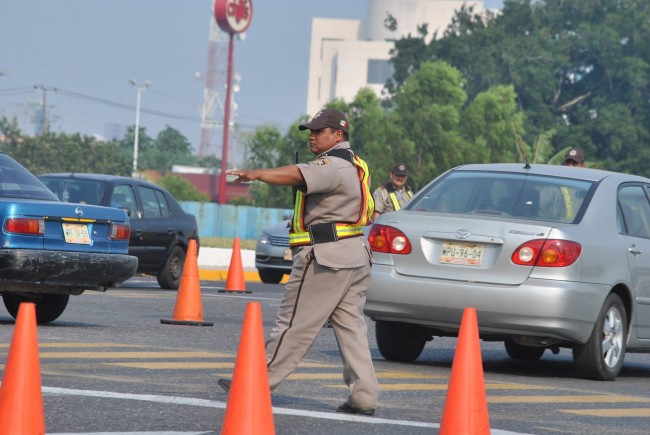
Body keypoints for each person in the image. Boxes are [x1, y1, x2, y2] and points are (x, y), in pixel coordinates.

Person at [219, 108, 379, 416]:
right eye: (311, 131)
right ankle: (364, 395)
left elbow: (296, 174)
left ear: (338, 135)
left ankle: (256, 382)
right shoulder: (357, 165)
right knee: (351, 329)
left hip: (327, 256)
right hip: (355, 254)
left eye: (319, 131)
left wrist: (256, 174)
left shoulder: (331, 164)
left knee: (294, 324)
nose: (313, 136)